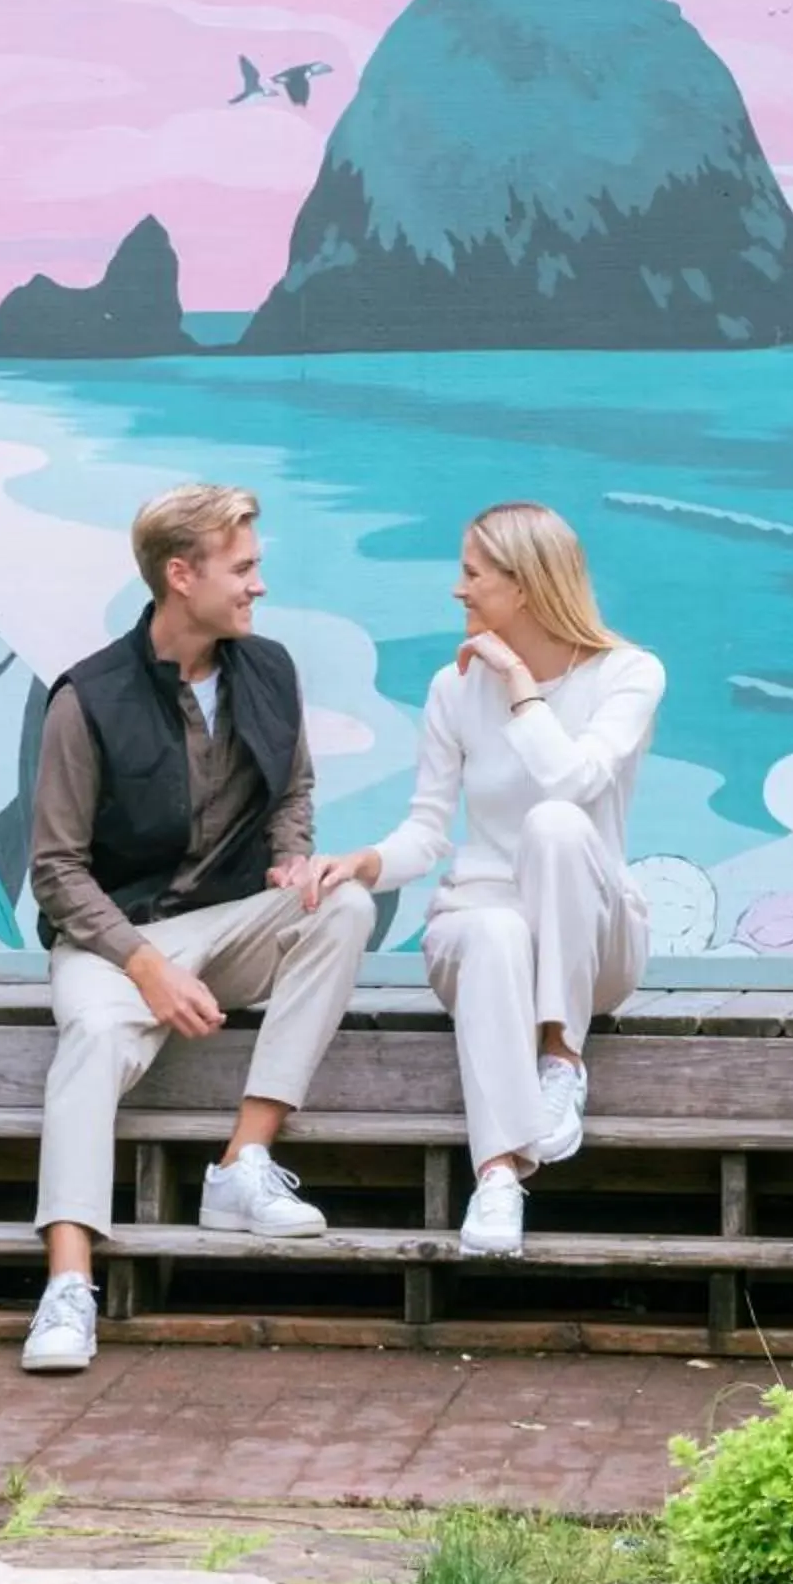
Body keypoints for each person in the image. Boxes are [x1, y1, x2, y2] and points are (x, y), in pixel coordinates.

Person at [20, 483, 376, 1373]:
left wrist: (294, 858)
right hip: (115, 939)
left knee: (345, 903)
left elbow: (291, 791)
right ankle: (68, 1287)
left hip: (230, 928)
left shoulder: (271, 668)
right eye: (244, 568)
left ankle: (242, 1166)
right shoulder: (86, 699)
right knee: (95, 1039)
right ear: (182, 576)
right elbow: (56, 872)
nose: (259, 585)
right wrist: (144, 967)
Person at [301, 502, 664, 1256]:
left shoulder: (629, 674)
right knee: (496, 927)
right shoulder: (451, 688)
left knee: (556, 824)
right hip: (483, 930)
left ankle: (560, 1054)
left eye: (472, 574)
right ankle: (498, 1178)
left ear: (524, 585)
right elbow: (427, 830)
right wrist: (362, 864)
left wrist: (519, 682)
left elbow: (573, 779)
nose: (457, 591)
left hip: (595, 947)